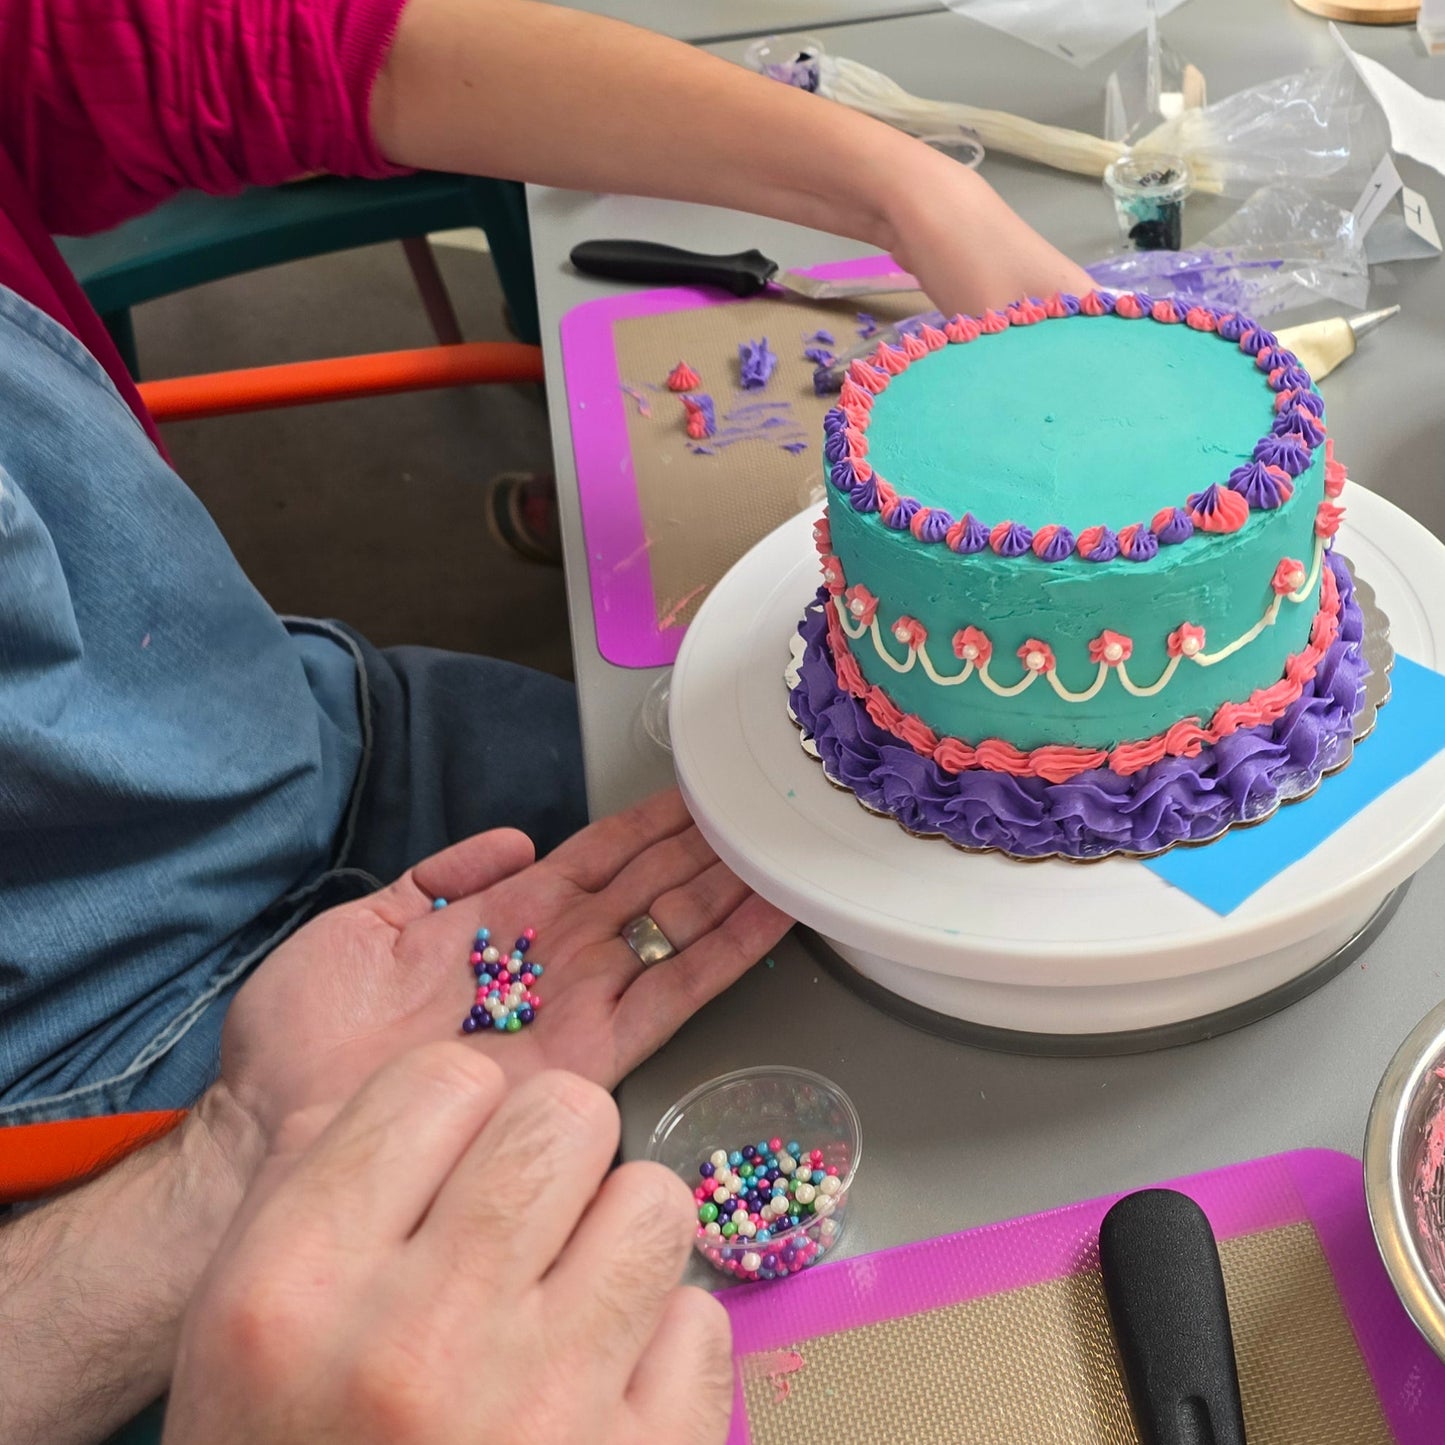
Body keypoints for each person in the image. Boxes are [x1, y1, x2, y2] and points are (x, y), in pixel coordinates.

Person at [0, 0, 1090, 1436]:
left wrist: (904, 188)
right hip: (82, 1120)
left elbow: (332, 57)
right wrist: (216, 1174)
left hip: (327, 749)